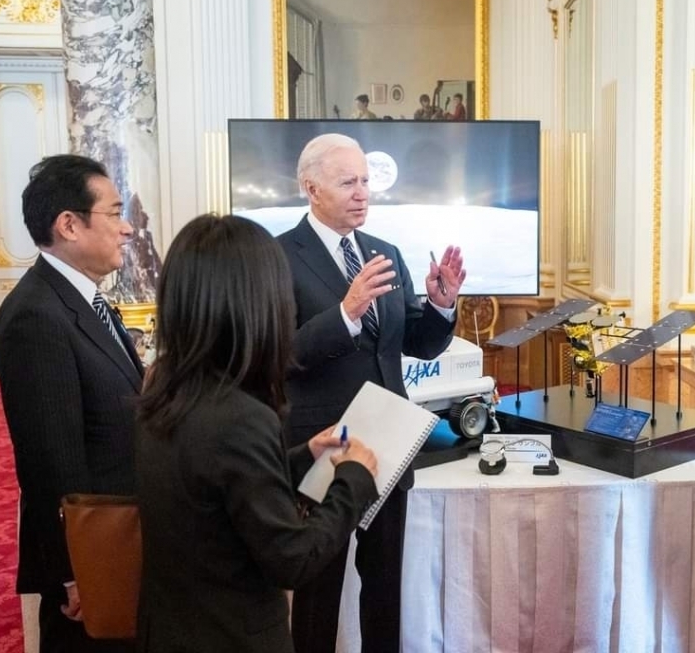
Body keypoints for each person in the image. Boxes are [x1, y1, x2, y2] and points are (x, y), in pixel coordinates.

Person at [134, 214, 379, 652]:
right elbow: (294, 558)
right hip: (231, 635)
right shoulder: (241, 416)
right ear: (254, 304)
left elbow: (211, 483)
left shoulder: (165, 385)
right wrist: (353, 480)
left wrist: (303, 455)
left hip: (171, 627)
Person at [278, 133, 466, 653]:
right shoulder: (278, 258)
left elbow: (417, 344)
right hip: (322, 447)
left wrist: (441, 306)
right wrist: (345, 312)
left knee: (385, 589)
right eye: (348, 182)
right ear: (311, 188)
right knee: (318, 590)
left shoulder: (384, 253)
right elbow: (281, 355)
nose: (363, 193)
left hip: (389, 443)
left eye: (365, 181)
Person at [0, 155, 144, 652]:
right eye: (115, 213)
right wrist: (74, 572)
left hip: (119, 536)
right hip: (92, 555)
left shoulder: (84, 300)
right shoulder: (36, 318)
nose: (127, 229)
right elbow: (50, 459)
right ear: (69, 225)